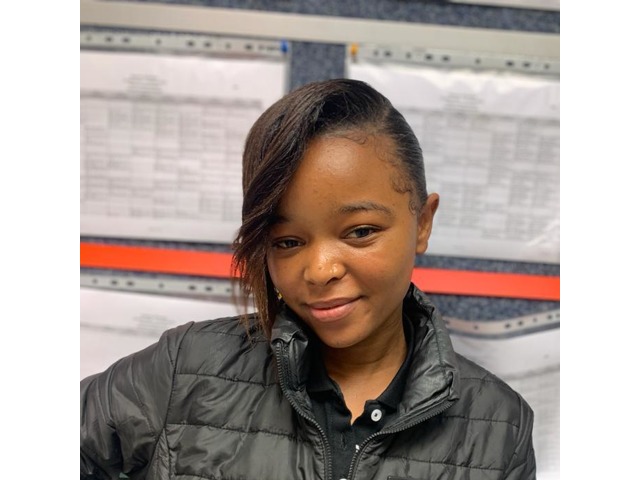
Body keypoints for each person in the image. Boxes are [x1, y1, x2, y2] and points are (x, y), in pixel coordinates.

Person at [81, 79, 536, 480]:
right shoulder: (185, 368)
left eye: (360, 232)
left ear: (423, 222)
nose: (320, 271)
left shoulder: (501, 426)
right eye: (287, 242)